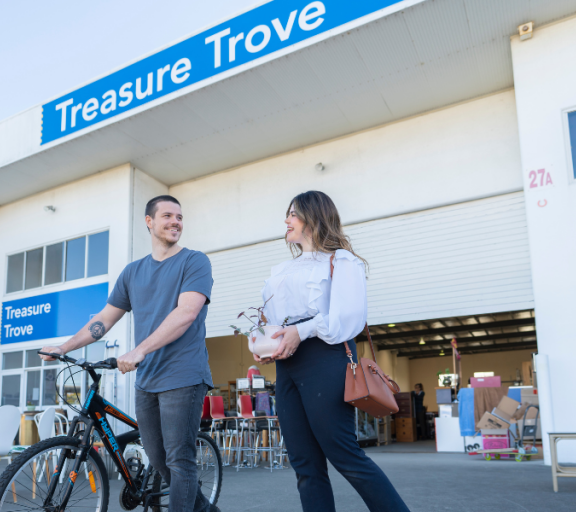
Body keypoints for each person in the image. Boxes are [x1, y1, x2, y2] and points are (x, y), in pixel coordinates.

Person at [40, 195, 219, 512]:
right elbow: (104, 319)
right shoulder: (132, 272)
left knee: (179, 460)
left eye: (179, 216)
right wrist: (63, 347)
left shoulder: (194, 261)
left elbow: (186, 313)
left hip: (183, 375)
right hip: (147, 379)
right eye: (167, 215)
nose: (175, 221)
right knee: (161, 461)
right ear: (149, 222)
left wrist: (138, 351)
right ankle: (206, 510)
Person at [255, 190, 410, 512]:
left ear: (314, 219)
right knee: (303, 462)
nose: (286, 220)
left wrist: (302, 330)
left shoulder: (341, 261)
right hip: (287, 365)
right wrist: (262, 343)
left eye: (293, 214)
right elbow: (271, 319)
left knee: (343, 453)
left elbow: (348, 319)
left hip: (326, 358)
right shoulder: (283, 270)